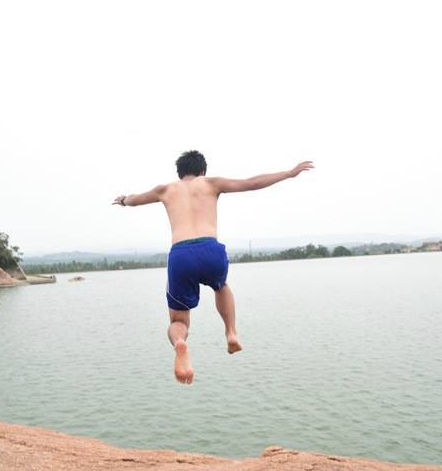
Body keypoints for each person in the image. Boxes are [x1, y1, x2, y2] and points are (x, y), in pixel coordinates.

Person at [113, 151, 314, 384]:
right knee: (221, 286)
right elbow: (251, 183)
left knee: (179, 321)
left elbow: (135, 199)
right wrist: (289, 173)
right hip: (210, 250)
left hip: (181, 254)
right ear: (202, 171)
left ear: (179, 173)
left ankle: (180, 344)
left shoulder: (165, 190)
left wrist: (124, 200)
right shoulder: (210, 183)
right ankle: (231, 332)